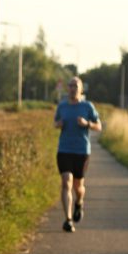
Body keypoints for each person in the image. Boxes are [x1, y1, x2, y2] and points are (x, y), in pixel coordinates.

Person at [54, 77, 101, 232]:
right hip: (64, 149)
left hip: (81, 151)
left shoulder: (87, 106)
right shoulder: (62, 106)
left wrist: (87, 123)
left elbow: (98, 126)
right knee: (66, 181)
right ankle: (68, 220)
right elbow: (55, 123)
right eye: (71, 85)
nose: (73, 88)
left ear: (81, 89)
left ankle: (79, 203)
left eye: (76, 86)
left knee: (78, 186)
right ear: (68, 88)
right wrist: (58, 125)